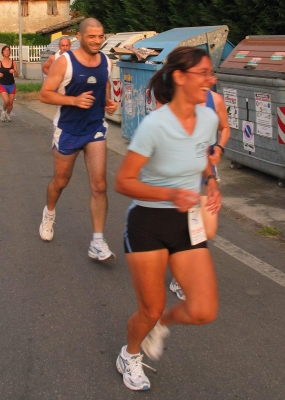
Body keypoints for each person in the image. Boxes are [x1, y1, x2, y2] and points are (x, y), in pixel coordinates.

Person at [114, 46, 221, 391]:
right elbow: (123, 182)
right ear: (179, 76)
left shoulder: (208, 118)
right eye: (203, 73)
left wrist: (212, 180)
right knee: (149, 308)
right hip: (147, 224)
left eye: (210, 72)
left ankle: (161, 325)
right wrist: (170, 193)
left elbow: (203, 154)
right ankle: (129, 354)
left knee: (203, 310)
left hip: (186, 222)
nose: (210, 79)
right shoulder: (154, 126)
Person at [38, 17, 117, 261]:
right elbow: (44, 95)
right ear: (80, 37)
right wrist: (73, 101)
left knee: (100, 185)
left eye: (100, 36)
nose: (97, 40)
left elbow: (102, 88)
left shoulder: (106, 62)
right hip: (69, 129)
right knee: (61, 182)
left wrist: (108, 103)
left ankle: (97, 242)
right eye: (91, 36)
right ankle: (49, 213)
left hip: (95, 128)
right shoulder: (65, 62)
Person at [169, 76, 230, 301]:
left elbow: (224, 127)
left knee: (208, 228)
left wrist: (219, 149)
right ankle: (181, 277)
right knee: (185, 223)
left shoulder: (216, 100)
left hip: (207, 171)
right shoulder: (177, 101)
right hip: (180, 172)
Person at [0, 45, 18, 122]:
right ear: (2, 52)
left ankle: (8, 114)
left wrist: (14, 71)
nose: (7, 52)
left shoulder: (13, 62)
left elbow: (17, 75)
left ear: (10, 52)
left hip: (11, 84)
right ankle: (3, 112)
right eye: (5, 50)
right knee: (6, 101)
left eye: (8, 50)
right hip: (3, 84)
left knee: (10, 103)